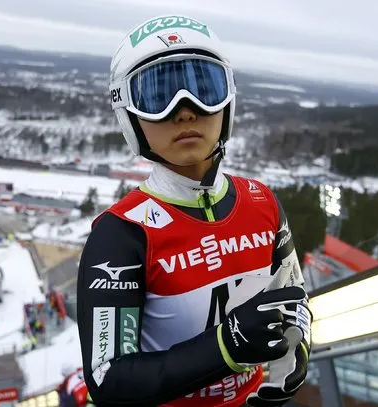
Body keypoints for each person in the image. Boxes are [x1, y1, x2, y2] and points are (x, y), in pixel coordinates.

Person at [76, 13, 312, 407]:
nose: (185, 111)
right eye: (157, 95)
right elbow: (108, 379)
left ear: (228, 102)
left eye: (205, 88)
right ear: (130, 115)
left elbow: (292, 298)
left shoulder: (262, 202)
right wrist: (225, 346)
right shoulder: (121, 235)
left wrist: (294, 356)